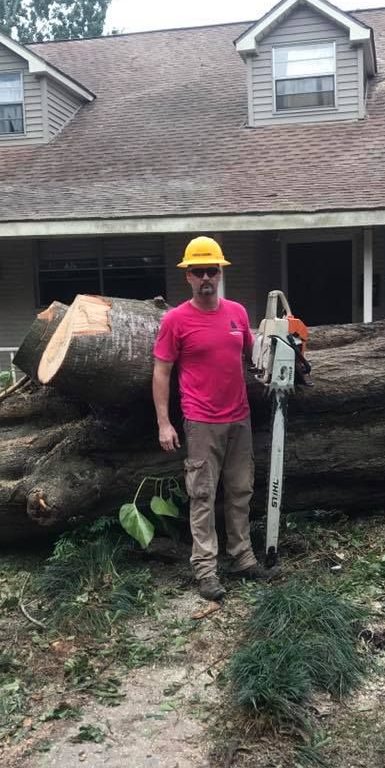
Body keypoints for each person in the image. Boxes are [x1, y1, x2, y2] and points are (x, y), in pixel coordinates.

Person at [152, 236, 265, 601]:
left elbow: (254, 353)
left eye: (211, 271)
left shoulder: (238, 313)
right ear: (187, 276)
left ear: (220, 273)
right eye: (198, 271)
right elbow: (162, 372)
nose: (206, 278)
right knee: (202, 495)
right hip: (201, 422)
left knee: (240, 491)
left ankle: (243, 557)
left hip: (240, 418)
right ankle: (205, 570)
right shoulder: (175, 320)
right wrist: (164, 422)